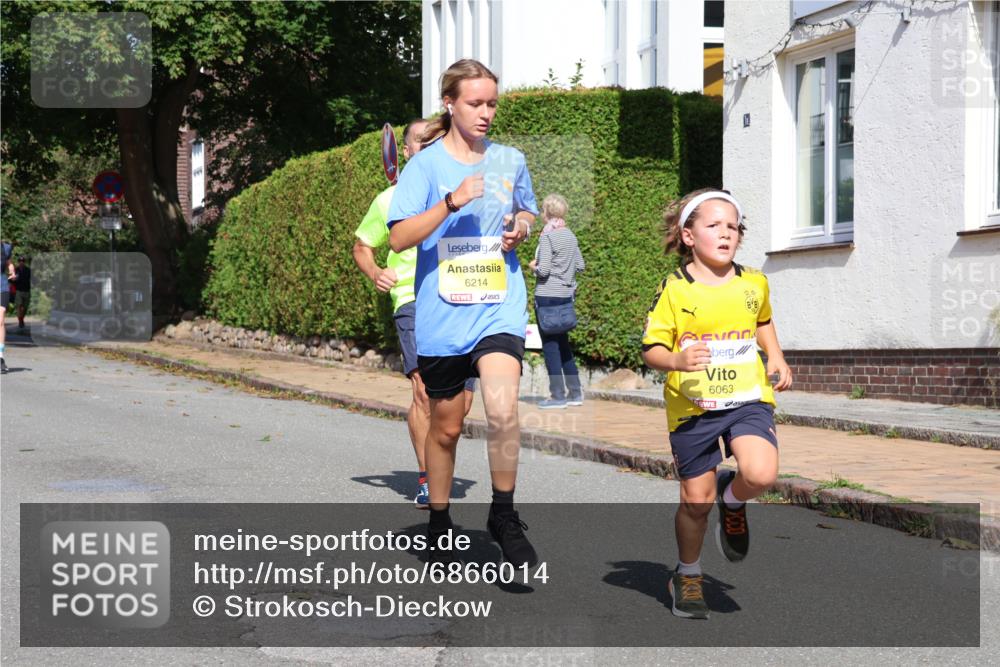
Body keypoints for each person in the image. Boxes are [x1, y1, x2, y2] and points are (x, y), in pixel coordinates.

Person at [388, 59, 539, 566]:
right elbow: (399, 236)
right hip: (443, 317)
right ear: (449, 104)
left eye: (492, 103)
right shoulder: (424, 167)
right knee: (447, 427)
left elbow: (526, 210)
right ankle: (437, 519)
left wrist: (520, 224)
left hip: (499, 306)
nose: (486, 113)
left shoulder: (510, 160)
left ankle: (503, 512)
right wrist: (451, 201)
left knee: (502, 409)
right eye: (475, 103)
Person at [641, 188, 793, 619]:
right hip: (693, 406)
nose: (726, 234)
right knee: (695, 500)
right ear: (689, 236)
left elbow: (762, 320)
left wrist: (776, 355)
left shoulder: (753, 282)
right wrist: (676, 359)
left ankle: (735, 498)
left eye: (733, 227)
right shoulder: (674, 289)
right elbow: (651, 348)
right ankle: (687, 575)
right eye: (713, 226)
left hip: (746, 397)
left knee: (761, 472)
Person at [352, 118, 476, 508]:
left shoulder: (461, 194)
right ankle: (427, 478)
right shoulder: (389, 199)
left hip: (461, 300)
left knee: (461, 401)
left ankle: (438, 460)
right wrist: (376, 272)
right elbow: (362, 245)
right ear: (405, 151)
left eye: (435, 142)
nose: (428, 148)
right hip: (412, 301)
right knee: (424, 393)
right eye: (420, 143)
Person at [528, 193, 585, 409]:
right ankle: (575, 393)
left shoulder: (547, 237)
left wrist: (533, 266)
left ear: (546, 213)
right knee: (563, 345)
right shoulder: (570, 235)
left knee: (551, 347)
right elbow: (580, 266)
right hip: (565, 296)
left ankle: (557, 396)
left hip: (547, 296)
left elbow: (543, 271)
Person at [0, 240, 14, 374]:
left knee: (1, 320)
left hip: (2, 285)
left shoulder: (5, 248)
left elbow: (9, 262)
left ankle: (0, 357)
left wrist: (12, 270)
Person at [13, 256, 31, 332]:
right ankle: (20, 321)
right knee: (19, 306)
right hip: (19, 290)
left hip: (26, 290)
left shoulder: (28, 270)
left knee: (25, 307)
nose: (21, 262)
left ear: (24, 262)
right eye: (20, 261)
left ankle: (21, 319)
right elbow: (11, 280)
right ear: (18, 262)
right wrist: (13, 279)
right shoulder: (15, 270)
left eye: (23, 261)